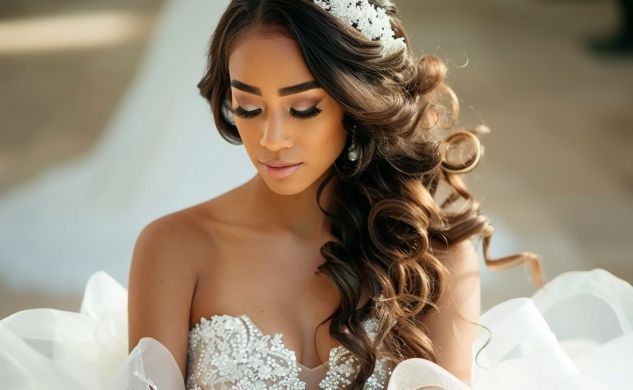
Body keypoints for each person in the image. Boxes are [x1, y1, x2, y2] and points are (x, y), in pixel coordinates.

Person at [1, 1, 632, 389]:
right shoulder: (175, 248)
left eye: (302, 109)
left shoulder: (436, 254)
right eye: (248, 107)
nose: (270, 139)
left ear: (355, 104)